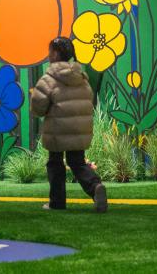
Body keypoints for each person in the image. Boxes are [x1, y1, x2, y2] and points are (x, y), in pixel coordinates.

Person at [31, 37, 108, 212]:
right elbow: (88, 100)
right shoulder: (81, 77)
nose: (48, 55)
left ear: (56, 54)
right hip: (79, 129)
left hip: (57, 129)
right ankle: (95, 187)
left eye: (50, 51)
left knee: (55, 163)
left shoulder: (49, 78)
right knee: (77, 162)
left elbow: (38, 106)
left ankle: (57, 202)